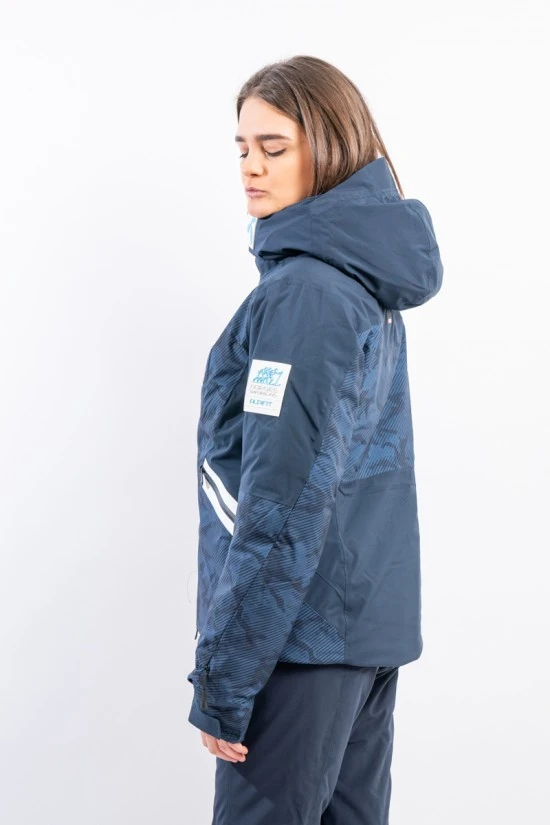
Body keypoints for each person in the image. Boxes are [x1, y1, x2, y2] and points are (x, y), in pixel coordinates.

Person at [187, 54, 444, 824]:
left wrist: (227, 677)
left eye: (274, 147)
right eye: (242, 147)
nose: (250, 167)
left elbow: (283, 500)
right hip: (360, 635)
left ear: (327, 149)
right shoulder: (357, 280)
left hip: (296, 644)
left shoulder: (306, 292)